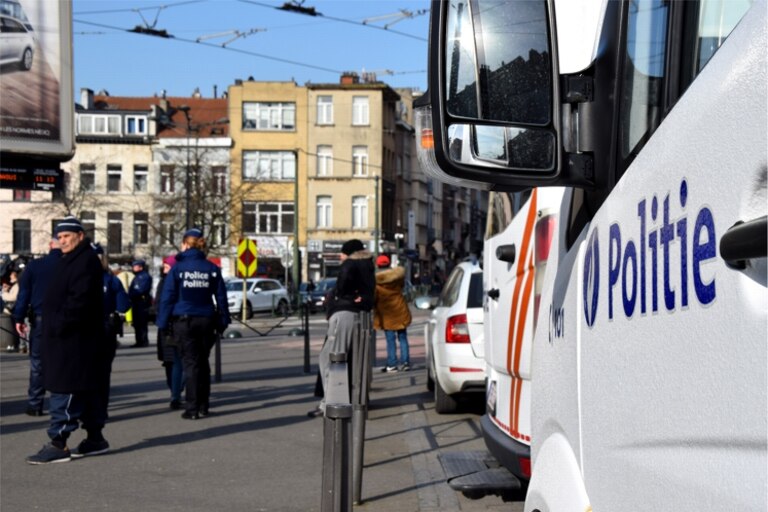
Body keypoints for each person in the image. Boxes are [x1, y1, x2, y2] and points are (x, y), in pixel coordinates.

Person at [26, 216, 109, 464]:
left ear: (80, 236)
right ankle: (95, 438)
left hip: (73, 340)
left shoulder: (84, 262)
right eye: (59, 237)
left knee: (67, 389)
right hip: (74, 338)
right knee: (87, 389)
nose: (62, 241)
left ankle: (58, 443)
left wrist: (59, 323)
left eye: (66, 236)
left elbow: (79, 301)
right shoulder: (72, 260)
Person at [156, 228, 230, 420]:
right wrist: (223, 321)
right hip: (206, 320)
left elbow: (167, 298)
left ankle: (192, 407)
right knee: (203, 362)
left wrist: (163, 323)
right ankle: (204, 405)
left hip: (184, 320)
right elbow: (221, 297)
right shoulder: (211, 269)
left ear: (186, 244)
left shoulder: (178, 269)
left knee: (191, 364)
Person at [309, 239, 375, 418]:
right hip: (359, 314)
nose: (340, 256)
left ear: (349, 253)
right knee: (353, 360)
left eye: (343, 252)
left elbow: (343, 285)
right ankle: (355, 401)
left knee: (332, 358)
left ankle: (332, 403)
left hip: (344, 313)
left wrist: (339, 297)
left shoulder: (350, 265)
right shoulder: (367, 265)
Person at [13, 236, 62, 416]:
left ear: (50, 245)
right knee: (63, 361)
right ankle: (61, 404)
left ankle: (35, 404)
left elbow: (23, 294)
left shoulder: (35, 266)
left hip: (41, 319)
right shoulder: (69, 265)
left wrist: (19, 318)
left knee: (38, 364)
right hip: (65, 319)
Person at [373, 254, 412, 373]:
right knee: (403, 338)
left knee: (390, 340)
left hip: (387, 314)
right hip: (400, 310)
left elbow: (374, 298)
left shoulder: (376, 282)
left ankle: (392, 364)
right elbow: (403, 288)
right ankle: (406, 363)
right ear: (389, 264)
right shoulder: (397, 277)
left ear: (377, 265)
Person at [155, 255, 184, 410]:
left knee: (177, 360)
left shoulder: (174, 282)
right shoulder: (163, 281)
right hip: (164, 325)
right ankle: (174, 390)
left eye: (166, 267)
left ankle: (176, 392)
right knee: (168, 361)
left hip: (171, 325)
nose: (164, 269)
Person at [128, 259, 152, 348]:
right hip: (136, 302)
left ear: (140, 267)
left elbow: (141, 290)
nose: (133, 267)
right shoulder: (138, 276)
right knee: (137, 323)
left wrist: (132, 294)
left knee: (141, 323)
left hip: (141, 302)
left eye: (135, 266)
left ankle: (143, 341)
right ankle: (139, 340)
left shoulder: (144, 276)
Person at [2, 269, 21, 353]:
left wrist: (4, 293)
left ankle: (18, 345)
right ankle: (16, 344)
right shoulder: (15, 285)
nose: (10, 276)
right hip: (12, 310)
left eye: (12, 275)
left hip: (14, 310)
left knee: (15, 329)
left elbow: (13, 297)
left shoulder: (17, 286)